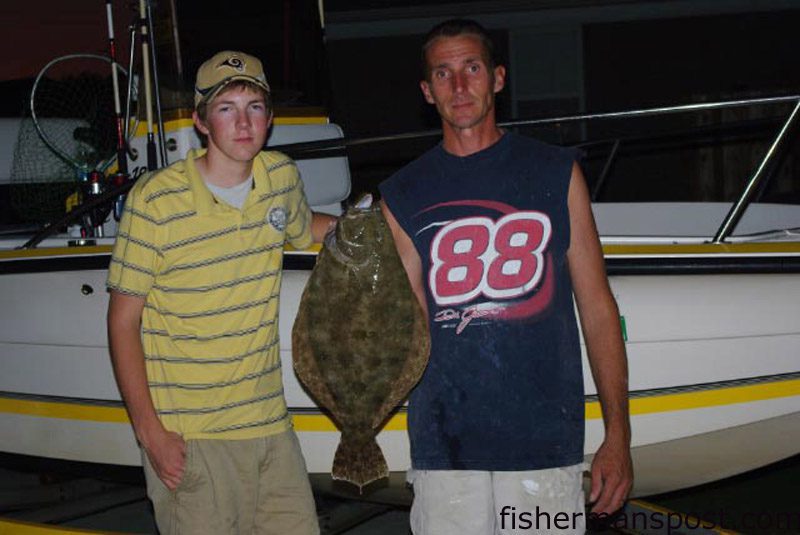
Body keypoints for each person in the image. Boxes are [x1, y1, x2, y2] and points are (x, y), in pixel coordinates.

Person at [379, 20, 633, 534]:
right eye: (443, 74)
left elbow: (597, 306)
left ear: (497, 78)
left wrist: (617, 435)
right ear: (427, 92)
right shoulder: (402, 194)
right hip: (445, 452)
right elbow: (403, 330)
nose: (459, 86)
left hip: (544, 444)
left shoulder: (555, 171)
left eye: (471, 68)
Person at [107, 50, 332, 534]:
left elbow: (304, 228)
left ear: (269, 119)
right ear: (201, 121)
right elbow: (123, 320)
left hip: (272, 431)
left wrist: (370, 227)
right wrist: (151, 434)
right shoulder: (156, 200)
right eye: (226, 108)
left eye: (254, 107)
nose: (243, 122)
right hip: (193, 439)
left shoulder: (280, 178)